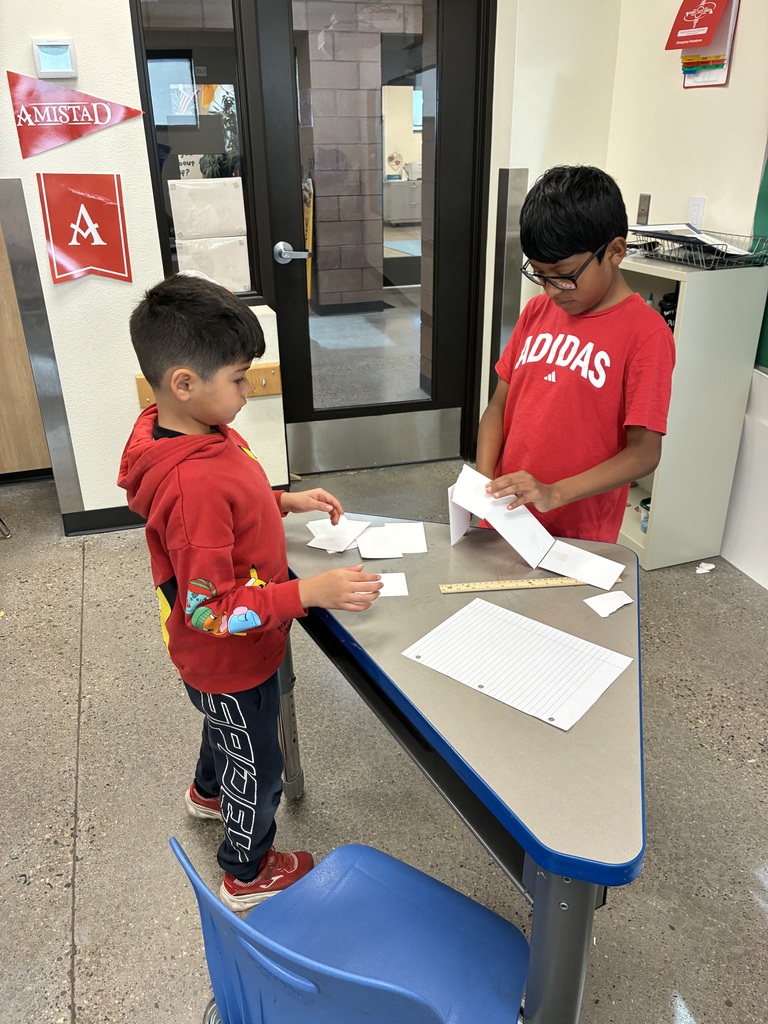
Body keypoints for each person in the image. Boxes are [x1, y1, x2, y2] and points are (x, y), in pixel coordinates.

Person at [117, 273, 382, 911]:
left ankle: (205, 794)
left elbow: (229, 503)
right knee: (256, 764)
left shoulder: (182, 429)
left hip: (222, 666)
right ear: (185, 382)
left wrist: (281, 502)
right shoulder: (193, 486)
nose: (248, 387)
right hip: (230, 659)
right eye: (239, 377)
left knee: (225, 731)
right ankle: (247, 867)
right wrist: (307, 593)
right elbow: (209, 610)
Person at [476, 164, 675, 542]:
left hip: (577, 532)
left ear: (615, 251)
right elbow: (499, 408)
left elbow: (644, 453)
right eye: (539, 274)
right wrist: (485, 484)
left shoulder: (646, 334)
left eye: (564, 275)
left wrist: (554, 493)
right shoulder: (538, 311)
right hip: (507, 517)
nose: (551, 291)